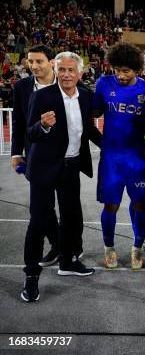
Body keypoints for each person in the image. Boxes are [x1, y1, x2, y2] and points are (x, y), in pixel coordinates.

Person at [21, 52, 102, 302]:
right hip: (45, 168)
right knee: (38, 223)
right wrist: (43, 125)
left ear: (80, 73)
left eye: (71, 70)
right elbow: (31, 133)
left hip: (71, 167)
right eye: (62, 69)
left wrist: (111, 147)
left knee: (72, 218)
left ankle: (67, 261)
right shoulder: (42, 95)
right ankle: (31, 277)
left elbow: (88, 129)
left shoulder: (86, 95)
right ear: (56, 70)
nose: (66, 74)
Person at [92, 43, 145, 269]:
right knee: (111, 206)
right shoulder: (103, 83)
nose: (120, 75)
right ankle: (109, 248)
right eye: (117, 69)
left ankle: (137, 248)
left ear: (137, 70)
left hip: (137, 158)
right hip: (111, 160)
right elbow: (93, 112)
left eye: (126, 71)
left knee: (139, 204)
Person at [11, 45, 59, 267]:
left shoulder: (66, 81)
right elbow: (19, 123)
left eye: (39, 61)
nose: (33, 66)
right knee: (40, 207)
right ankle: (58, 245)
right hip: (36, 155)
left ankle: (68, 249)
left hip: (65, 156)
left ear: (51, 62)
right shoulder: (21, 87)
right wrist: (15, 153)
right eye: (30, 61)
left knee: (69, 208)